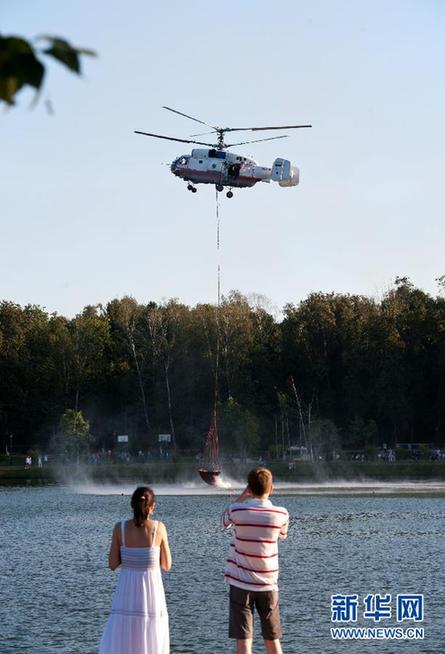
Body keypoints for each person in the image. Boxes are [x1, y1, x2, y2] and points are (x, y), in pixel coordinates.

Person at [222, 468, 289, 654]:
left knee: (244, 642)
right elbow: (282, 535)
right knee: (272, 640)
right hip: (268, 584)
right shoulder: (281, 514)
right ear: (272, 488)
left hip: (240, 584)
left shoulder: (237, 510)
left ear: (249, 488)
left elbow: (224, 521)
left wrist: (242, 497)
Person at [99, 486, 172, 654]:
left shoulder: (120, 528)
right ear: (152, 507)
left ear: (132, 505)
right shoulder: (159, 528)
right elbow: (167, 565)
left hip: (126, 594)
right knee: (151, 632)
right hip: (152, 596)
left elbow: (112, 564)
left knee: (125, 637)